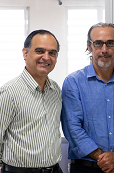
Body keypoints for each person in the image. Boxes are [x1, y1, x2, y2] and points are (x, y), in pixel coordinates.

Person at [61, 22, 114, 173]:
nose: (104, 50)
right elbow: (72, 127)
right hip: (85, 168)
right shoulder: (73, 82)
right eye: (98, 43)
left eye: (110, 43)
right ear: (89, 46)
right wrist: (107, 161)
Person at [0, 29, 63, 173]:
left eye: (52, 53)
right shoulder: (8, 92)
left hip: (55, 169)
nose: (46, 57)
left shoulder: (55, 90)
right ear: (25, 53)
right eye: (40, 51)